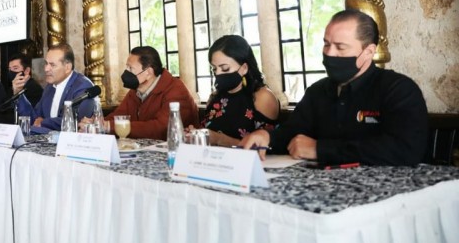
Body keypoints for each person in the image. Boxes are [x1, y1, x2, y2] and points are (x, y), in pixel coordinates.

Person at [240, 9, 429, 166]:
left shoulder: (399, 89)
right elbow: (293, 131)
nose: (330, 53)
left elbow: (405, 150)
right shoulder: (317, 91)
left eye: (340, 47)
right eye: (326, 44)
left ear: (368, 52)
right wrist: (267, 137)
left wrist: (320, 149)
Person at [90, 45, 199, 140]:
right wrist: (95, 123)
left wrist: (109, 126)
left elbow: (162, 128)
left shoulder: (175, 90)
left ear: (148, 72)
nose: (126, 72)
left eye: (130, 68)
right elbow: (118, 116)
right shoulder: (136, 90)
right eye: (126, 67)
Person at [199, 35, 279, 147]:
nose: (218, 74)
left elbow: (267, 147)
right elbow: (206, 134)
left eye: (225, 68)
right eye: (214, 69)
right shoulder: (215, 97)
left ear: (244, 68)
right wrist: (195, 134)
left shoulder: (262, 97)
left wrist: (219, 139)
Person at [17, 43, 95, 131]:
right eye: (46, 63)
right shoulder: (50, 87)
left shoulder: (83, 86)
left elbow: (75, 121)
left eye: (52, 65)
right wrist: (19, 93)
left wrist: (44, 122)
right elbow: (34, 119)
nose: (46, 69)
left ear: (67, 67)